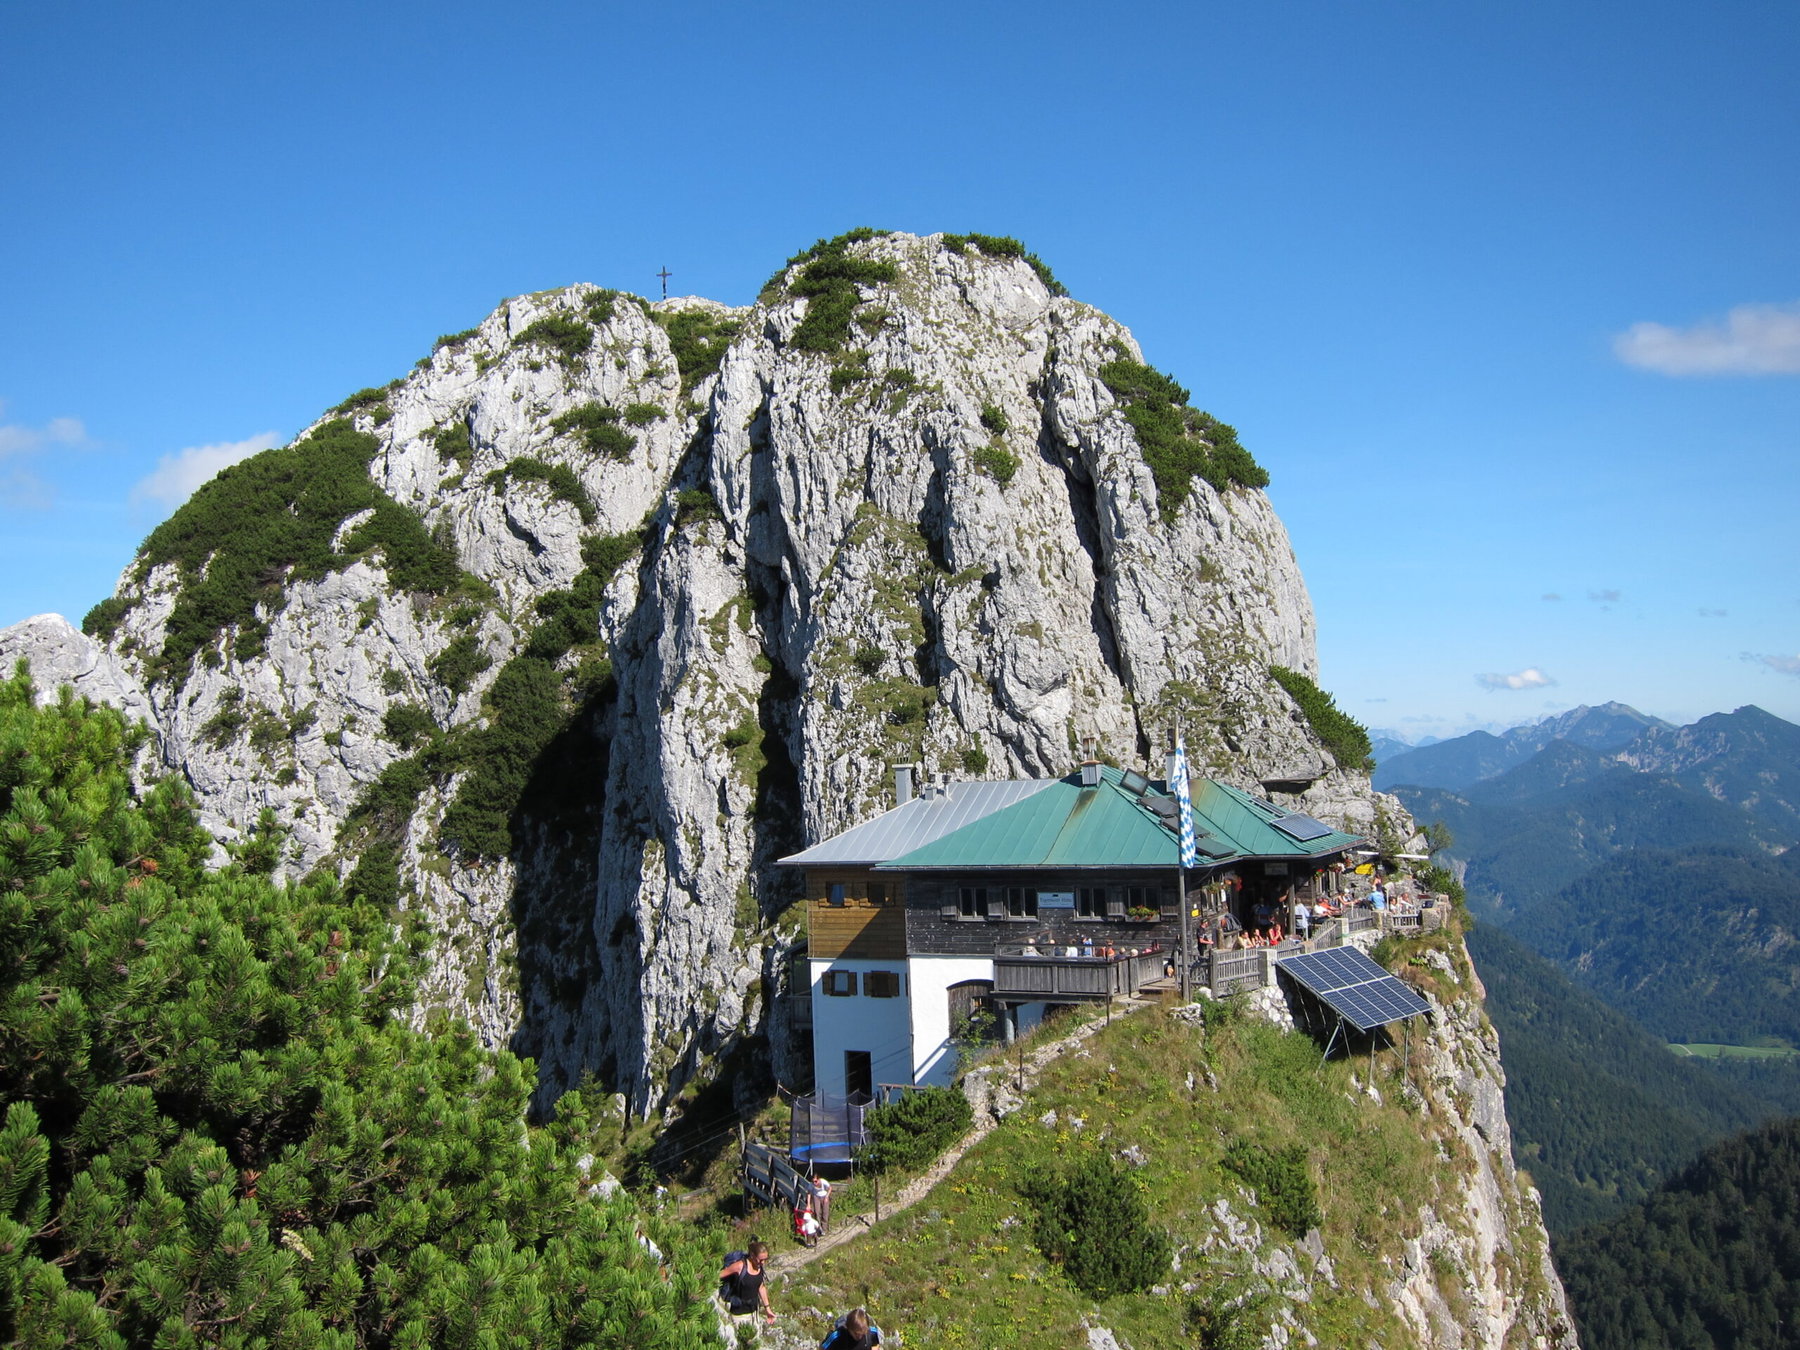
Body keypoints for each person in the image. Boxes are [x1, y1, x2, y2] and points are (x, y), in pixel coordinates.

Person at [720, 1241, 775, 1324]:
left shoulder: (759, 1267)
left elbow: (761, 1287)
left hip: (754, 1313)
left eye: (765, 1259)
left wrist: (767, 1309)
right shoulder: (739, 1266)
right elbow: (718, 1275)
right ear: (752, 1255)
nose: (763, 1262)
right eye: (760, 1260)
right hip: (738, 1316)